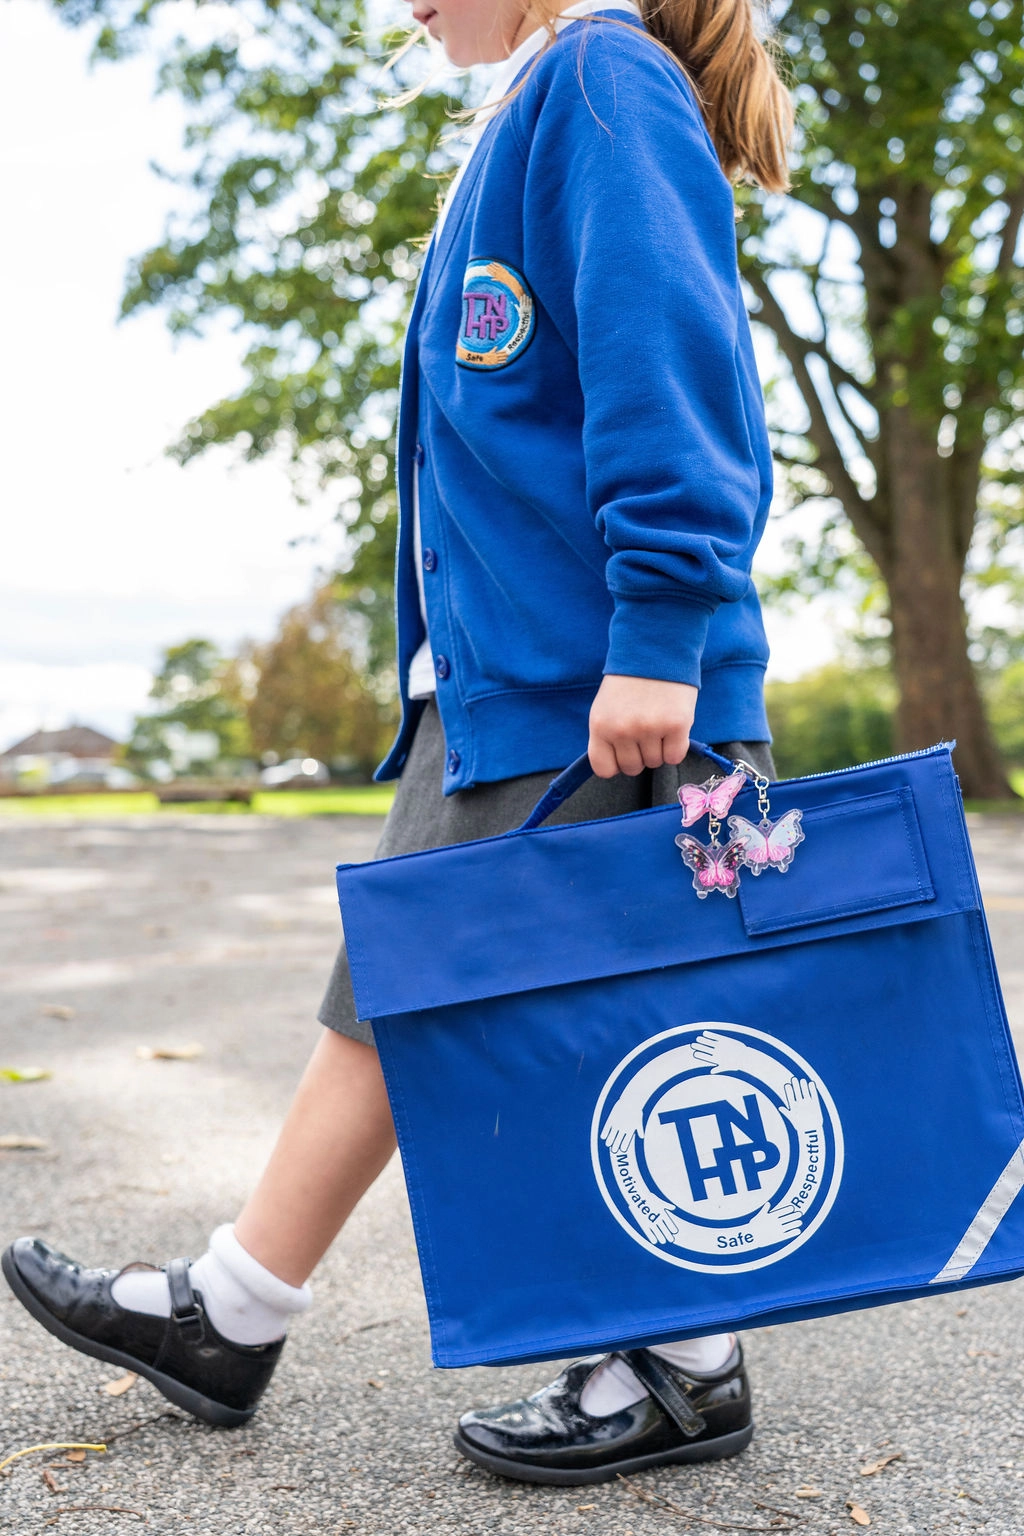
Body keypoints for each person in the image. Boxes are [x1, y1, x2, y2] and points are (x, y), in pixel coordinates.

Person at [3, 0, 793, 1488]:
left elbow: (667, 356)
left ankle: (682, 1357)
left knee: (545, 999)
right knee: (411, 982)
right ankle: (243, 1310)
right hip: (526, 672)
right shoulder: (545, 101)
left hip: (591, 676)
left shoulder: (601, 78)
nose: (405, 6)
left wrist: (658, 635)